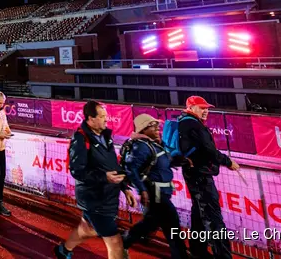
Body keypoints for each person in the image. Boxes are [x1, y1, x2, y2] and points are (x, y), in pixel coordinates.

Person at [55, 100, 136, 259]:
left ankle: (63, 251)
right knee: (115, 242)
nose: (106, 119)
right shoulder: (80, 139)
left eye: (106, 116)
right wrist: (104, 177)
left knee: (87, 229)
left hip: (108, 196)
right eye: (102, 116)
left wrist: (125, 188)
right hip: (94, 199)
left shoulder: (106, 136)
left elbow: (113, 165)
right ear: (90, 119)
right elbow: (77, 171)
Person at [179, 96, 240, 259]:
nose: (206, 111)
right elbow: (208, 150)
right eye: (201, 107)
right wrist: (227, 161)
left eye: (207, 108)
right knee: (213, 219)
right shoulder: (193, 124)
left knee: (199, 214)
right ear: (191, 108)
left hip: (195, 175)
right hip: (200, 177)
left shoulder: (185, 122)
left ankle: (197, 252)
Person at [122, 114, 189, 259]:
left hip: (162, 192)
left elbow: (166, 162)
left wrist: (183, 161)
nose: (158, 127)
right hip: (155, 192)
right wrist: (143, 190)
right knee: (171, 223)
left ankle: (123, 241)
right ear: (144, 129)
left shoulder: (155, 144)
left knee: (153, 223)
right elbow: (131, 169)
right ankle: (123, 242)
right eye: (153, 125)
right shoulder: (141, 146)